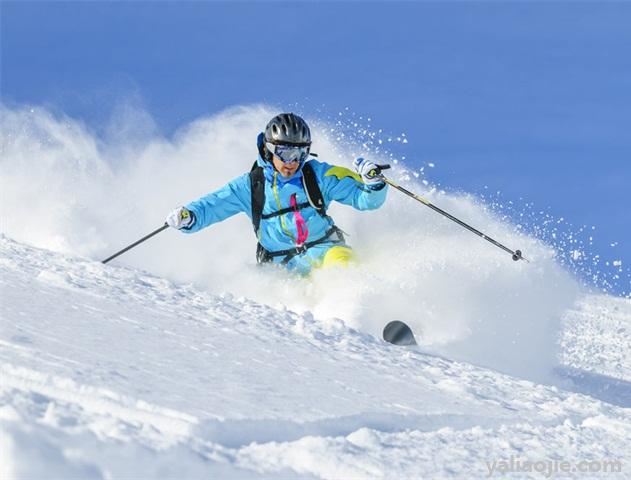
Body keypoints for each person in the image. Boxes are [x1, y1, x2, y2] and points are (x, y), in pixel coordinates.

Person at [165, 113, 388, 275]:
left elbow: (365, 200)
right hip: (282, 266)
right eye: (284, 152)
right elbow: (213, 206)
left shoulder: (318, 175)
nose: (292, 162)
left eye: (300, 153)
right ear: (269, 149)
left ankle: (376, 321)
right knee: (290, 305)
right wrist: (189, 216)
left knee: (344, 270)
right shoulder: (252, 185)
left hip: (326, 250)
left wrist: (374, 183)